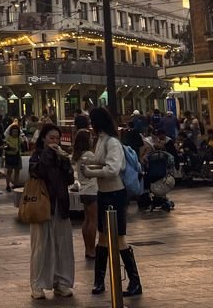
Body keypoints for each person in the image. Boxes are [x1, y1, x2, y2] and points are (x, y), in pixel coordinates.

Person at [81, 107, 141, 297]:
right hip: (103, 193)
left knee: (119, 238)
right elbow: (102, 163)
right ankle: (99, 281)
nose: (90, 125)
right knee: (103, 237)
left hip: (115, 194)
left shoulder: (112, 142)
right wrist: (89, 166)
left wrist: (90, 172)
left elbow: (112, 169)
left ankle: (134, 281)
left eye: (92, 121)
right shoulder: (102, 140)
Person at [29, 124, 75, 298]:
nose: (55, 141)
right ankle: (37, 284)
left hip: (60, 204)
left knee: (62, 245)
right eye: (51, 138)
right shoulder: (38, 156)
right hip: (43, 203)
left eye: (57, 138)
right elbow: (37, 172)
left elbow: (69, 179)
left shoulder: (61, 157)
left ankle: (62, 281)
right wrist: (48, 153)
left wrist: (65, 162)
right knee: (41, 246)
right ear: (43, 139)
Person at [71, 129, 98, 259]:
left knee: (86, 220)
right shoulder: (89, 155)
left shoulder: (78, 155)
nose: (93, 139)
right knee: (93, 221)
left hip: (83, 191)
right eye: (91, 137)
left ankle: (87, 248)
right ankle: (92, 249)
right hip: (92, 190)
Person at [3, 122, 24, 192]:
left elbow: (23, 144)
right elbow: (5, 145)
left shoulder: (19, 139)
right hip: (9, 156)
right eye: (13, 131)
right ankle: (8, 185)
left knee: (17, 171)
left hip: (17, 156)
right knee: (9, 171)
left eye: (16, 132)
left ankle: (16, 184)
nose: (14, 133)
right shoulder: (8, 138)